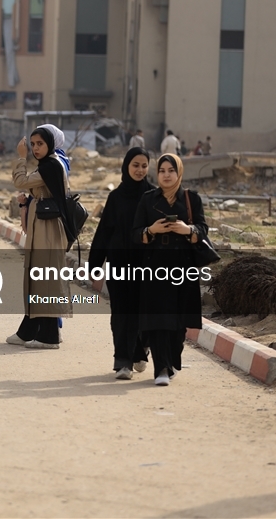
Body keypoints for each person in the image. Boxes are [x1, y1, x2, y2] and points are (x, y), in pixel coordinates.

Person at [132, 153, 206, 386]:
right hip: (155, 265)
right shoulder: (147, 199)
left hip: (183, 266)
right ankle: (161, 368)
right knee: (158, 319)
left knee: (178, 323)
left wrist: (187, 229)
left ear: (179, 172)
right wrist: (151, 230)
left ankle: (171, 359)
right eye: (162, 170)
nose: (166, 175)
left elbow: (203, 228)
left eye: (170, 170)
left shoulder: (191, 198)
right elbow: (135, 233)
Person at [8, 128, 76, 349]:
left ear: (50, 144)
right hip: (43, 226)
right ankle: (29, 330)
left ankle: (49, 336)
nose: (35, 148)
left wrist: (20, 157)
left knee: (45, 278)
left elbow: (20, 181)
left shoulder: (51, 166)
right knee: (39, 278)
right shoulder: (50, 164)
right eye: (33, 144)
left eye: (40, 144)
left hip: (48, 229)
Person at [88, 147, 152, 379]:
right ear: (126, 166)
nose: (140, 170)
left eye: (144, 165)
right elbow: (104, 231)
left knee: (143, 313)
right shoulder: (115, 197)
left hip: (146, 266)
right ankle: (122, 362)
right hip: (119, 264)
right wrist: (95, 264)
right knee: (121, 314)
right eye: (135, 165)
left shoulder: (153, 196)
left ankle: (141, 348)